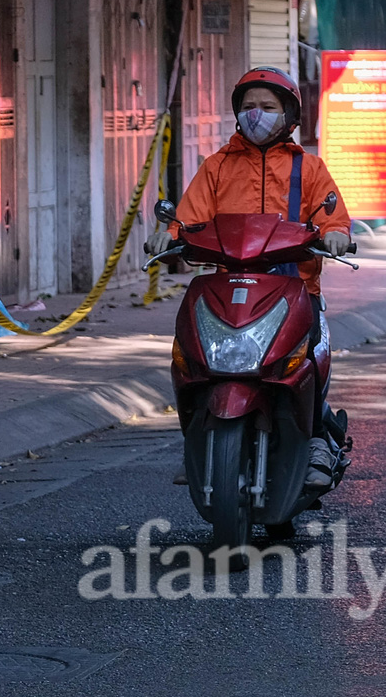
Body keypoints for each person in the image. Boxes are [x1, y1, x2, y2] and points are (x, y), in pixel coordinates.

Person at [146, 67, 353, 489]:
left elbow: (332, 215)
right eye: (248, 107)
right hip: (231, 285)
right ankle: (202, 437)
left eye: (267, 107)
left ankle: (315, 439)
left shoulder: (308, 168)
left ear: (289, 114)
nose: (256, 114)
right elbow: (187, 217)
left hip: (294, 286)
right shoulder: (217, 167)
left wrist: (335, 235)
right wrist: (166, 235)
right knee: (193, 354)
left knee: (310, 357)